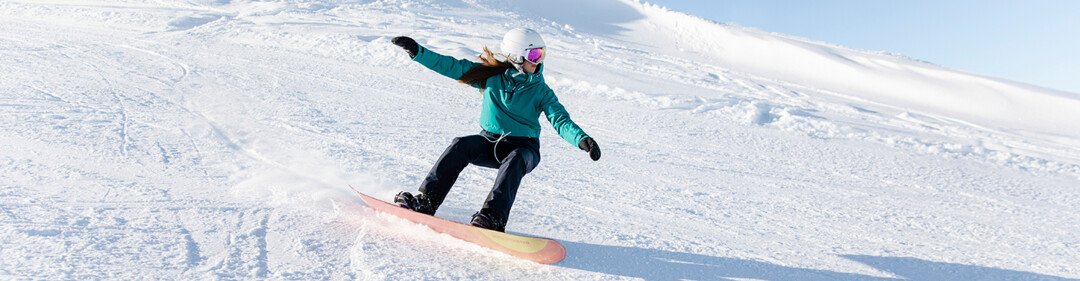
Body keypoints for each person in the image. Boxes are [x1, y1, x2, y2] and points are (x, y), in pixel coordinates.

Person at [389, 28, 601, 232]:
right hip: (490, 142)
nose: (539, 61)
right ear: (516, 56)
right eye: (535, 54)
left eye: (542, 54)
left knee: (516, 158)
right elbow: (450, 66)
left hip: (524, 148)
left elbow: (560, 120)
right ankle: (426, 201)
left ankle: (493, 217)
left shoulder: (541, 91)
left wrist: (582, 140)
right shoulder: (490, 77)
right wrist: (418, 52)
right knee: (460, 144)